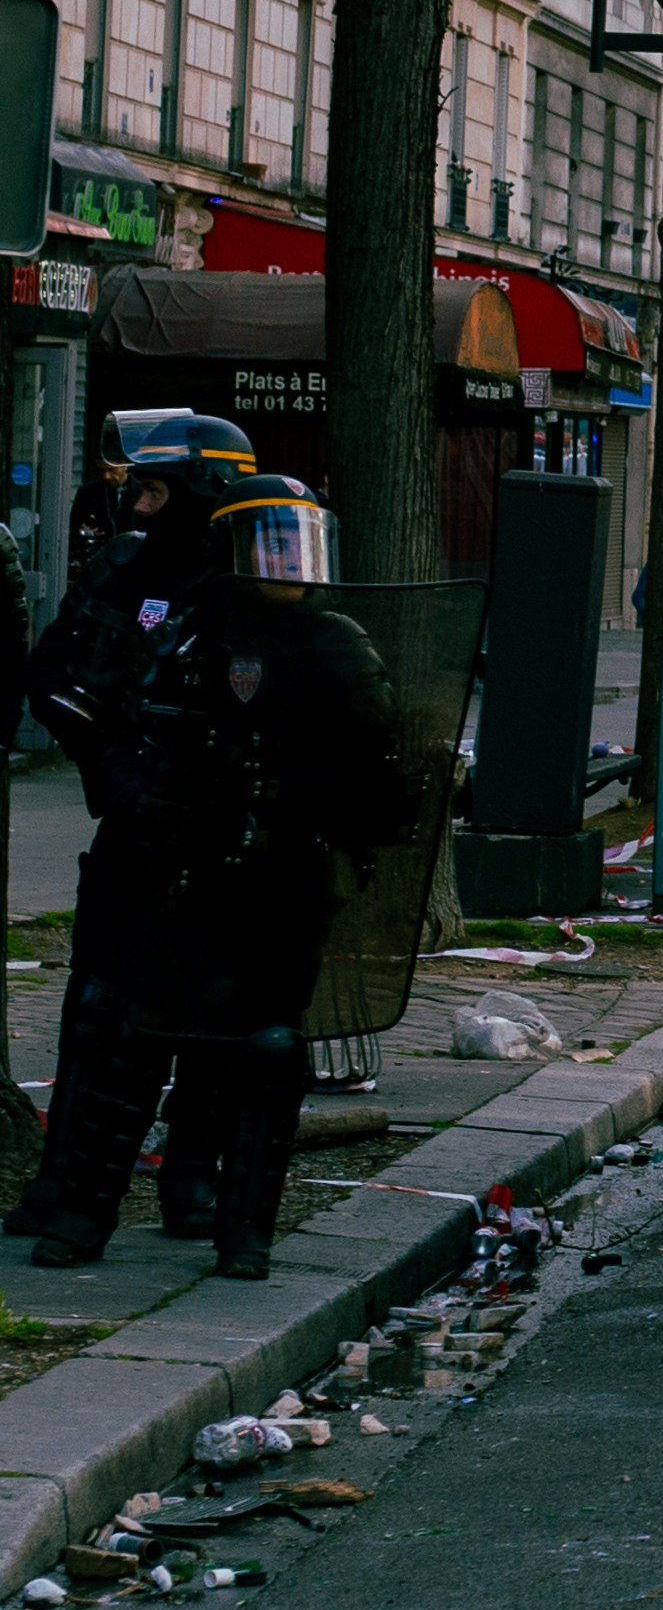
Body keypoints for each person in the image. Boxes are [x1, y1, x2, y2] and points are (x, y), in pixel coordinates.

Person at [28, 475, 404, 1278]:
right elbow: (107, 712)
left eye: (296, 540)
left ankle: (234, 1224)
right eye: (269, 541)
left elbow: (383, 765)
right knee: (125, 1029)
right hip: (174, 871)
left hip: (282, 883)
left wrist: (332, 808)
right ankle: (76, 1212)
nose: (287, 560)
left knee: (261, 1051)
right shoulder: (184, 631)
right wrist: (138, 799)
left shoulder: (337, 642)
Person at [13, 416, 254, 1248]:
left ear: (202, 495)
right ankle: (62, 1184)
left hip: (218, 834)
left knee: (215, 1017)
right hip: (129, 823)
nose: (139, 508)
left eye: (154, 492)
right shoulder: (120, 565)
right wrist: (106, 760)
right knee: (97, 1004)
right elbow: (51, 666)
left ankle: (193, 1176)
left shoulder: (250, 582)